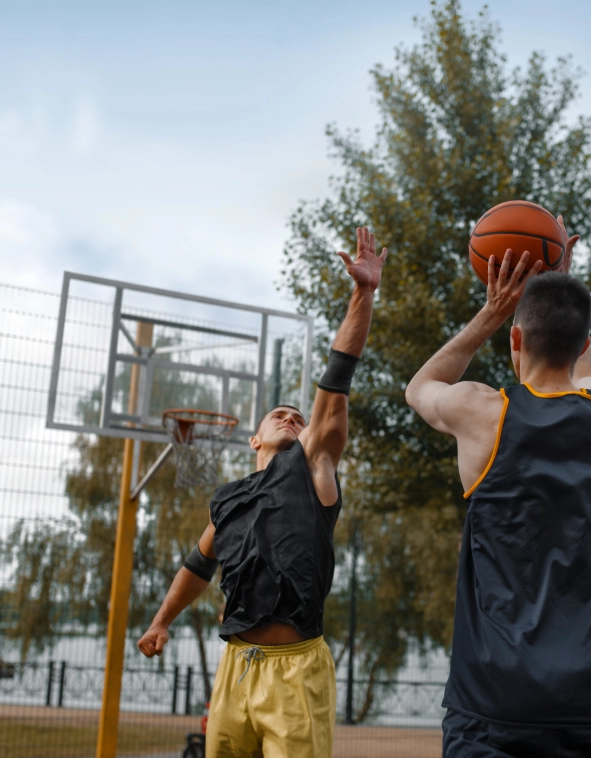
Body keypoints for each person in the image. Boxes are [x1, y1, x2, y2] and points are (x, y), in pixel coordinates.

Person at [138, 227, 388, 758]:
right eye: (279, 414)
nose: (291, 417)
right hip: (235, 669)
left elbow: (336, 381)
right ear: (254, 437)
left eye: (299, 418)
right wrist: (161, 622)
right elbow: (196, 566)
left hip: (295, 672)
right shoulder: (228, 500)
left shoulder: (315, 465)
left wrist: (363, 293)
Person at [406, 219, 591, 757]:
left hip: (496, 703)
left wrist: (494, 309)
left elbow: (420, 387)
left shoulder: (483, 414)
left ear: (515, 338)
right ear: (584, 340)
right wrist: (560, 278)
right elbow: (588, 378)